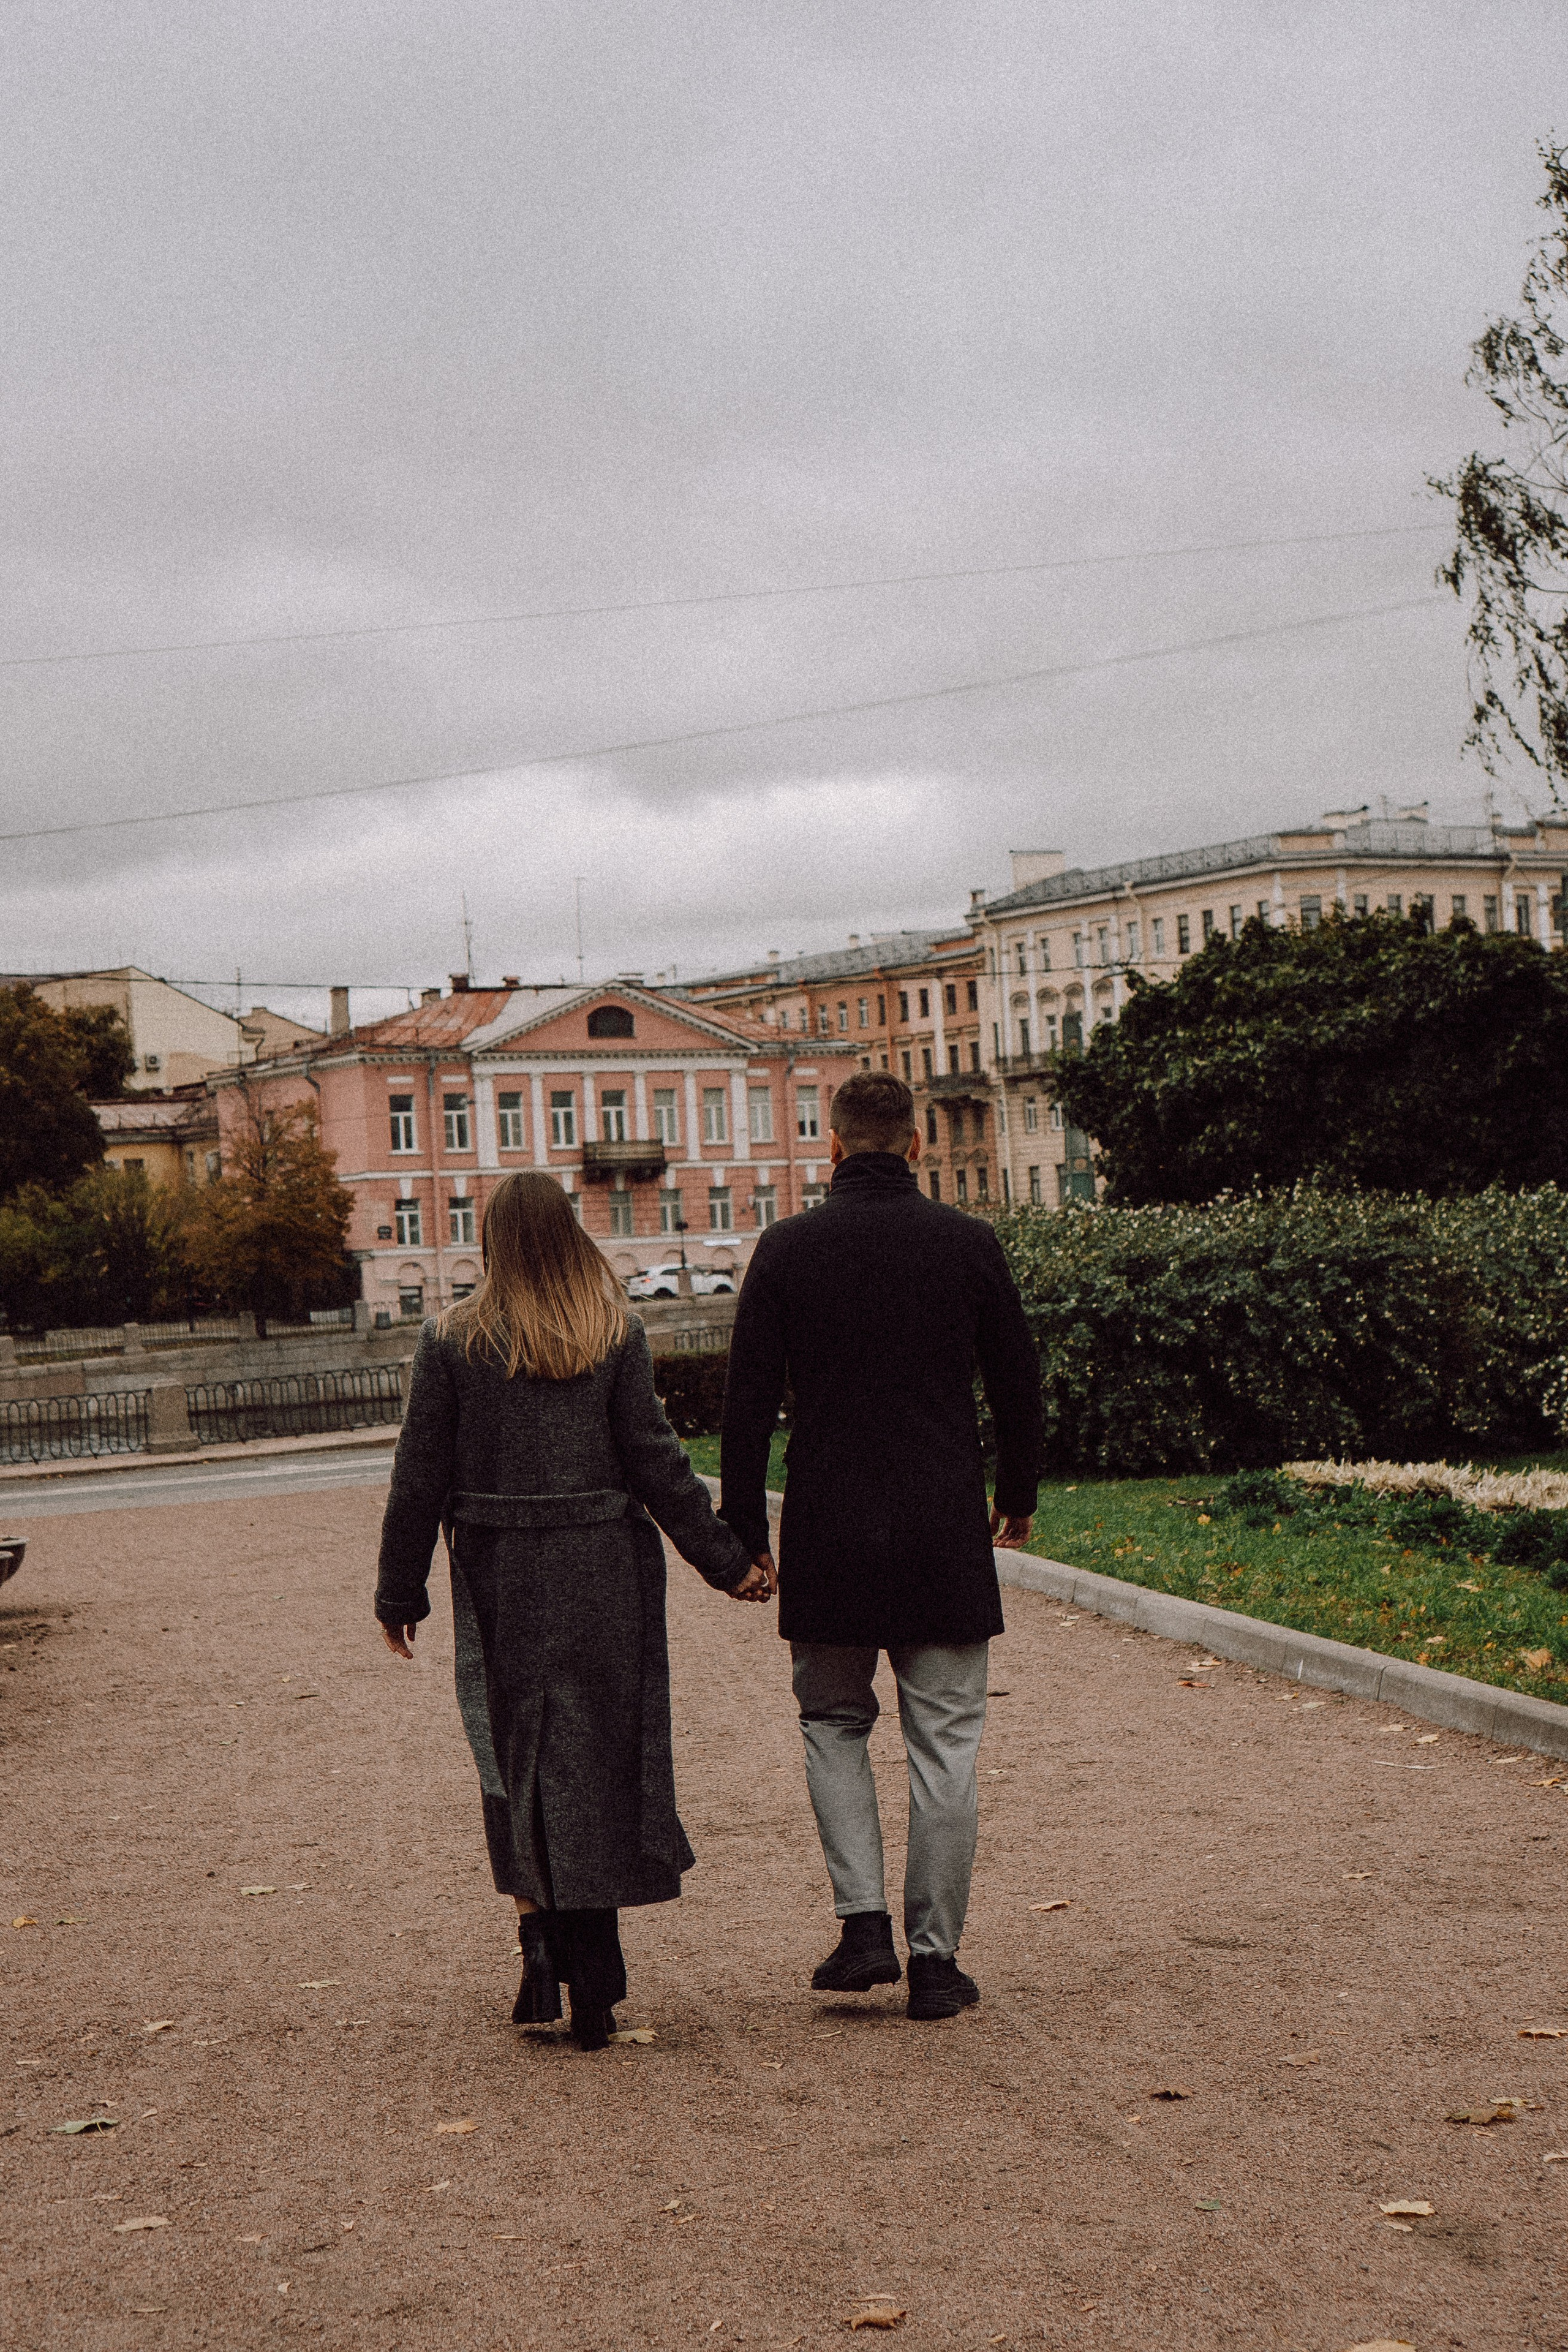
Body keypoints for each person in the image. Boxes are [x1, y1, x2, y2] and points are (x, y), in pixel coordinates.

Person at [375, 1170, 771, 2049]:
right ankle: (597, 1967)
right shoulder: (613, 1332)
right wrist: (727, 1562)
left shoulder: (451, 1340)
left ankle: (539, 1939)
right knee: (598, 1754)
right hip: (601, 1566)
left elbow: (419, 1475)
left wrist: (401, 1590)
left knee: (510, 1753)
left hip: (497, 1567)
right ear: (571, 1235)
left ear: (491, 1242)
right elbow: (657, 1461)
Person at [718, 1070, 1041, 2021]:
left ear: (830, 1145)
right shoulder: (968, 1244)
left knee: (832, 1725)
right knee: (946, 1743)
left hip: (828, 1525)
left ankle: (863, 1927)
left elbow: (745, 1408)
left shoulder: (786, 1249)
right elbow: (1018, 1381)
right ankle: (937, 1963)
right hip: (943, 1523)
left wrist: (744, 1533)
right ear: (916, 1144)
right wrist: (1016, 1494)